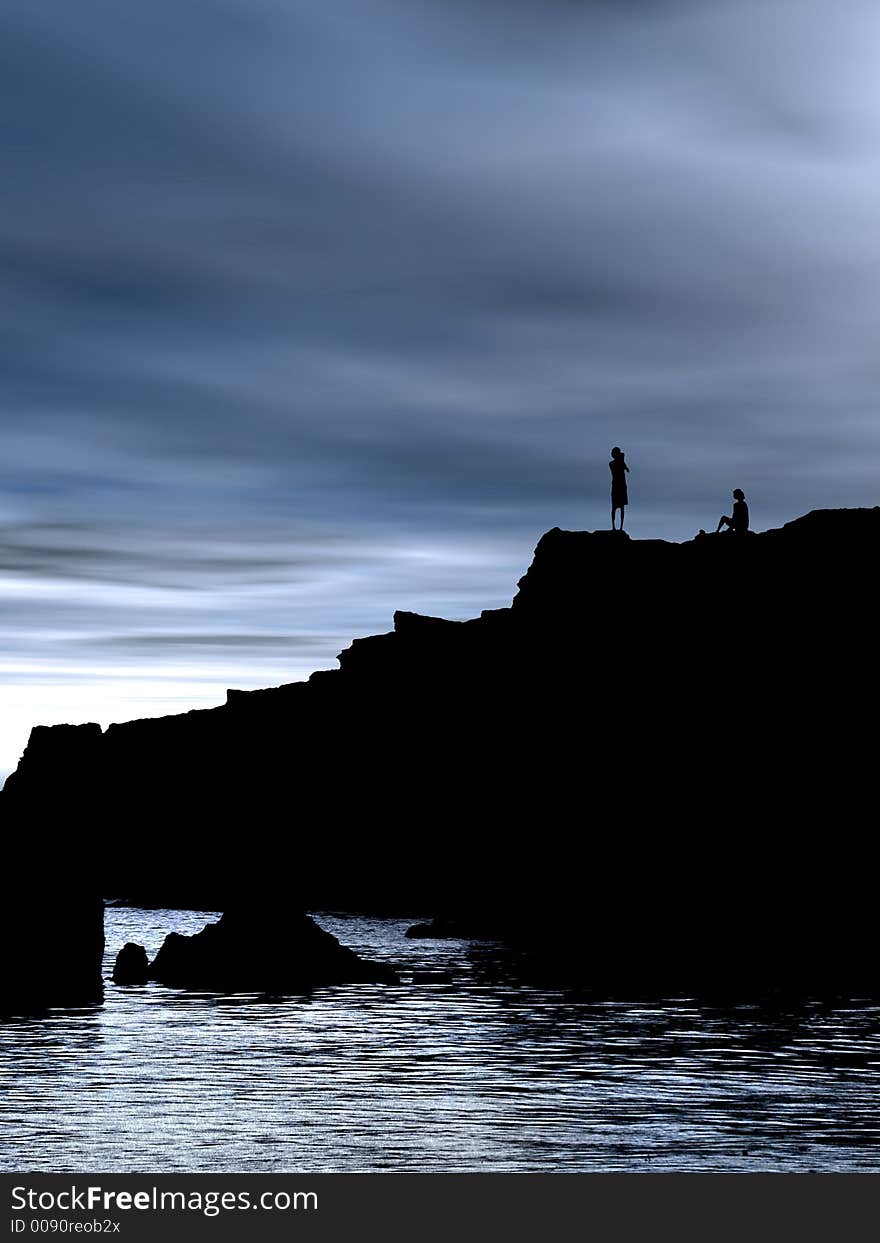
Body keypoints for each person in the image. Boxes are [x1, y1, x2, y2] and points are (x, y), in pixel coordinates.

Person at [609, 447, 629, 530]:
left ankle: (620, 527)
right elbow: (622, 465)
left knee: (621, 507)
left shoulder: (621, 463)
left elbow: (626, 468)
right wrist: (622, 458)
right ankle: (614, 526)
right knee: (614, 507)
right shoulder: (612, 464)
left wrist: (622, 458)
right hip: (617, 485)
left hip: (621, 486)